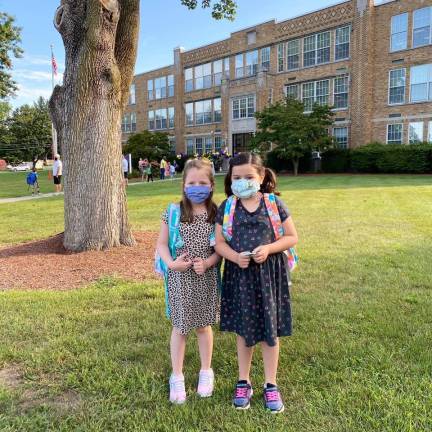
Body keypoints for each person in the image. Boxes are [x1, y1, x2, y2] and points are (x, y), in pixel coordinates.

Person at [214, 152, 298, 414]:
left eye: (248, 177)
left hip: (269, 278)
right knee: (244, 330)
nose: (242, 182)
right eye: (236, 177)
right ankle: (244, 381)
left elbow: (292, 237)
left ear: (261, 177)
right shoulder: (227, 207)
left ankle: (270, 384)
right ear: (230, 179)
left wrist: (270, 248)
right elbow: (218, 243)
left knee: (269, 332)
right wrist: (234, 256)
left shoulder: (273, 205)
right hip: (240, 278)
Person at [156, 158, 221, 405]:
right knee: (180, 328)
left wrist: (209, 262)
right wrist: (171, 264)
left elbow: (220, 248)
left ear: (211, 185)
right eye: (192, 182)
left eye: (202, 182)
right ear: (183, 185)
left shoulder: (217, 214)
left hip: (206, 278)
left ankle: (206, 371)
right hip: (179, 279)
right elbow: (161, 244)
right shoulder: (173, 212)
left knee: (204, 326)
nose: (197, 187)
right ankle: (177, 375)